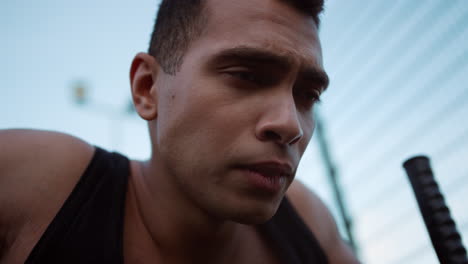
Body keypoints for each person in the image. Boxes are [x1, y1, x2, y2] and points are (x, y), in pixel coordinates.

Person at [0, 0, 360, 263]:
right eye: (246, 76)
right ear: (147, 88)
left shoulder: (306, 224)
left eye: (308, 95)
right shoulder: (38, 185)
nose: (290, 125)